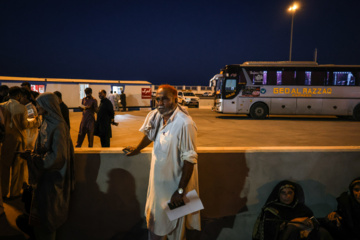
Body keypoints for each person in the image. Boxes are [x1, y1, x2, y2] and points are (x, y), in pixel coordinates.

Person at [124, 84, 201, 240]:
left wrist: (180, 192)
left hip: (176, 190)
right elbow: (150, 134)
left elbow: (190, 159)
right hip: (158, 188)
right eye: (157, 99)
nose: (160, 103)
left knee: (176, 233)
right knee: (155, 226)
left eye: (165, 99)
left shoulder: (184, 123)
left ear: (175, 99)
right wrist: (137, 149)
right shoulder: (158, 116)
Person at [19, 92, 75, 239]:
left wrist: (33, 158)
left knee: (49, 220)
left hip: (53, 181)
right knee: (40, 219)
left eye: (39, 104)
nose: (36, 107)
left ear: (48, 106)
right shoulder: (45, 122)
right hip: (43, 180)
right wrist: (32, 154)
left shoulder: (59, 127)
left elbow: (57, 157)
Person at [252, 180, 333, 240]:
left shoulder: (302, 208)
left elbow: (313, 221)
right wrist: (294, 223)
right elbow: (269, 231)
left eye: (290, 193)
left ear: (294, 194)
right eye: (283, 193)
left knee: (322, 232)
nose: (287, 196)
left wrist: (325, 219)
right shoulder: (271, 209)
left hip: (306, 236)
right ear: (278, 194)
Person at [0, 86, 40, 199]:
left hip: (6, 140)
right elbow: (24, 125)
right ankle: (14, 192)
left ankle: (3, 192)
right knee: (17, 167)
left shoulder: (2, 106)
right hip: (19, 140)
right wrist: (35, 122)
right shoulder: (22, 108)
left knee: (5, 167)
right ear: (18, 95)